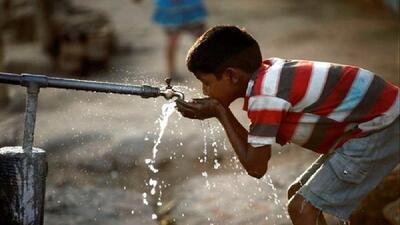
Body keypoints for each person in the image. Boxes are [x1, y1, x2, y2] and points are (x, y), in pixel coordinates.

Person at [175, 25, 399, 225]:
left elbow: (256, 167)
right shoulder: (267, 76)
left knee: (302, 209)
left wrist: (220, 112)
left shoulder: (266, 96)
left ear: (231, 76)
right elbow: (255, 153)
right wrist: (219, 111)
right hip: (376, 121)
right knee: (299, 196)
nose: (205, 91)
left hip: (382, 125)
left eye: (206, 83)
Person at [133, 0, 208, 85]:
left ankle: (204, 67)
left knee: (200, 41)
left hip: (177, 9)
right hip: (177, 10)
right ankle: (172, 71)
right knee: (196, 41)